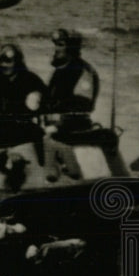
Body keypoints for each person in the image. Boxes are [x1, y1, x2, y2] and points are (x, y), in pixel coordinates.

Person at [42, 29, 100, 181]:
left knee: (47, 139)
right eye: (56, 45)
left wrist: (58, 117)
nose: (56, 49)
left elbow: (82, 104)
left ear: (71, 47)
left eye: (61, 45)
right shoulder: (61, 70)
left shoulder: (83, 71)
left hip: (75, 124)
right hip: (57, 124)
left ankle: (66, 172)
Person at [0, 43, 46, 117]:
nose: (4, 65)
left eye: (8, 61)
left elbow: (45, 103)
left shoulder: (31, 80)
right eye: (1, 61)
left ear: (18, 62)